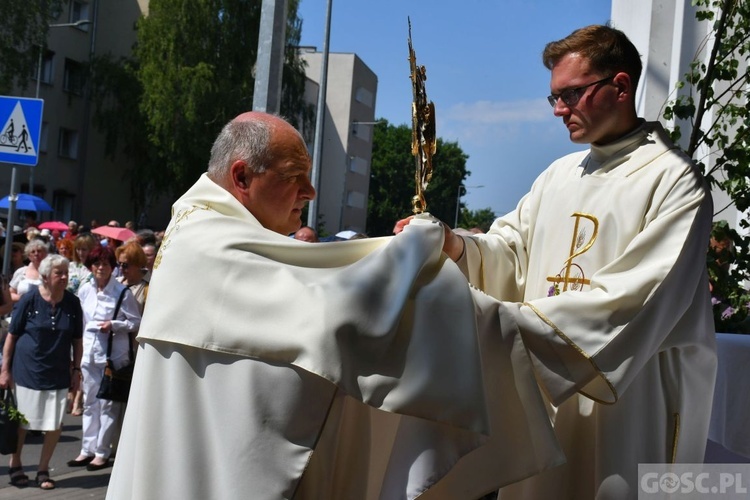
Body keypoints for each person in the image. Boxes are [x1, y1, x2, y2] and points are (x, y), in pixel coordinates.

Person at [106, 112, 564, 500]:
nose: (308, 192)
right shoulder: (210, 243)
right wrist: (415, 252)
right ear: (242, 176)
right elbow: (335, 309)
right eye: (294, 177)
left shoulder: (200, 229)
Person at [397, 25, 716, 500]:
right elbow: (510, 251)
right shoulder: (559, 175)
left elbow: (639, 297)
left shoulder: (675, 181)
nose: (559, 111)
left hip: (627, 395)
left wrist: (504, 323)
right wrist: (456, 246)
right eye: (554, 99)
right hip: (543, 386)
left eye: (571, 95)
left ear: (621, 86)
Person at [0, 254, 83, 490]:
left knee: (54, 423)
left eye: (66, 273)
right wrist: (4, 370)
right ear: (45, 277)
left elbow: (77, 340)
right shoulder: (29, 300)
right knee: (23, 422)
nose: (65, 277)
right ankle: (15, 463)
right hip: (27, 370)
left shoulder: (72, 303)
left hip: (57, 372)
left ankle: (43, 469)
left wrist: (76, 369)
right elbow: (11, 337)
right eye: (59, 273)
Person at [67, 245, 141, 472]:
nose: (101, 268)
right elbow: (80, 323)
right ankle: (87, 449)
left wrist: (114, 325)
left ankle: (102, 452)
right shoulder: (86, 290)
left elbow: (136, 322)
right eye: (97, 264)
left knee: (108, 405)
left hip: (112, 358)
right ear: (91, 266)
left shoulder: (121, 292)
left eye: (106, 264)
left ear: (112, 267)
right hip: (89, 355)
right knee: (90, 403)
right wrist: (75, 357)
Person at [9, 239, 49, 303]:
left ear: (45, 254)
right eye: (33, 252)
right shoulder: (21, 272)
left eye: (39, 251)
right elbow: (10, 294)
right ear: (29, 256)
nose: (36, 254)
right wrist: (24, 299)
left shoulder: (51, 272)